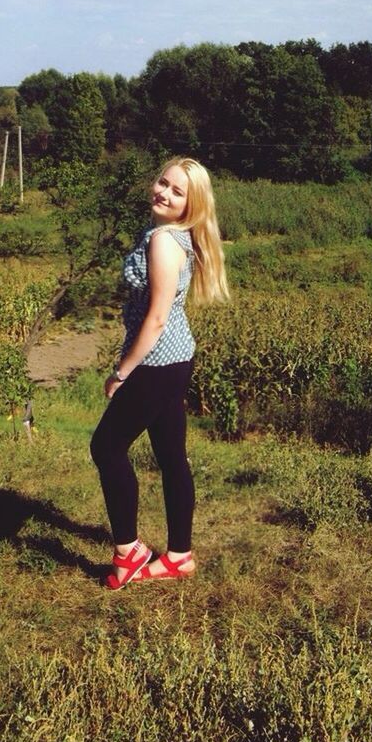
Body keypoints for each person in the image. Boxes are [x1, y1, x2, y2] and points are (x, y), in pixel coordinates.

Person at [90, 157, 229, 589]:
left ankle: (128, 552)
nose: (164, 193)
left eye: (177, 191)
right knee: (171, 458)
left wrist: (121, 371)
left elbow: (157, 318)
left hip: (155, 364)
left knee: (106, 448)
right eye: (162, 182)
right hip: (175, 361)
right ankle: (179, 556)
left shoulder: (164, 242)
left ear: (192, 204)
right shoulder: (171, 235)